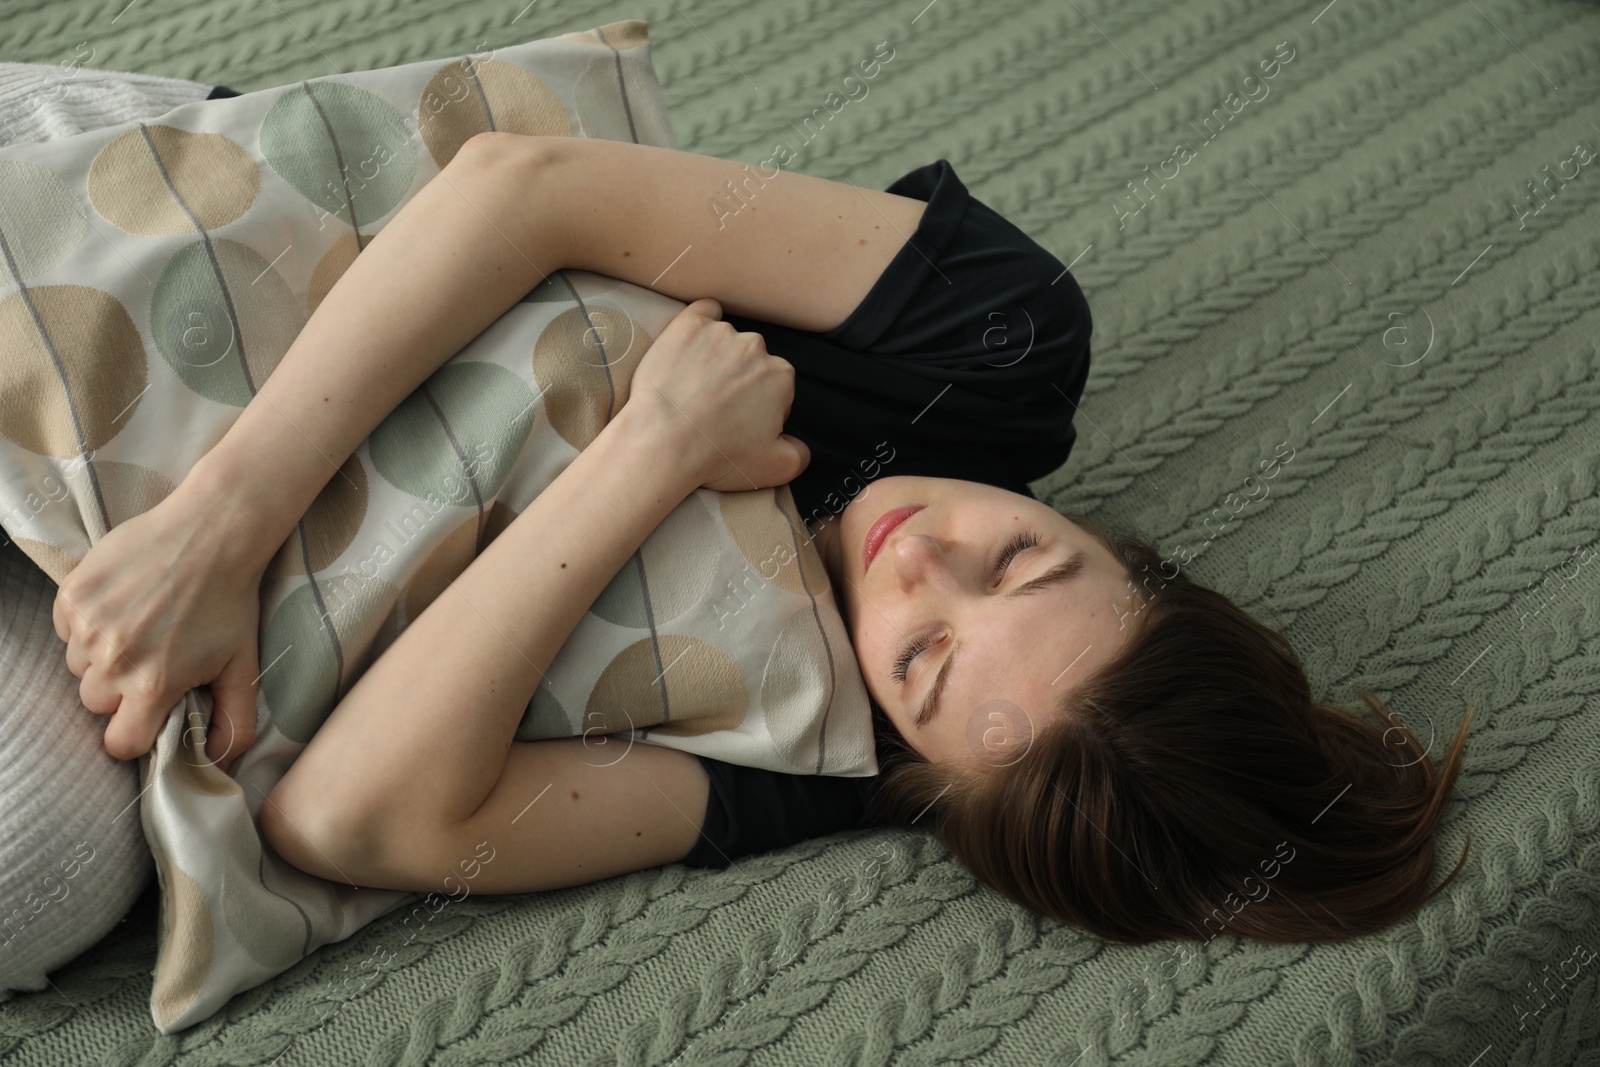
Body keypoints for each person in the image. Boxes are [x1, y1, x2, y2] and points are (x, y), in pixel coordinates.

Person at [49, 132, 1473, 945]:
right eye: (1022, 560)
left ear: (919, 768)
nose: (920, 559)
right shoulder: (998, 343)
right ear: (1135, 560)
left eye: (921, 659)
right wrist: (221, 525)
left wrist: (651, 458)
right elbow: (520, 182)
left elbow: (346, 818)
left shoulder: (811, 757)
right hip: (230, 297)